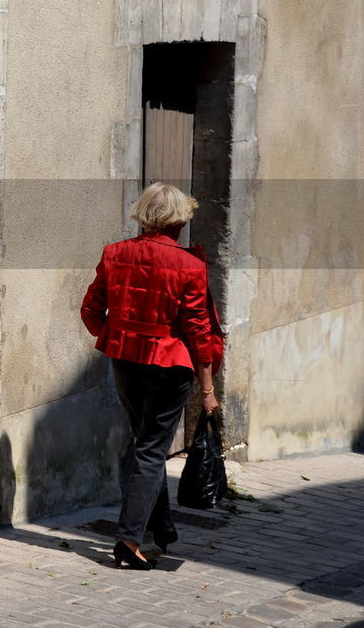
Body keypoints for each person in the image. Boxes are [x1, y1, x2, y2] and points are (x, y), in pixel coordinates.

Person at [80, 182, 224, 570]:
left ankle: (161, 528)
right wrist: (208, 389)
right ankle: (129, 539)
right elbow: (199, 331)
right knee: (150, 450)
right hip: (168, 363)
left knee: (145, 443)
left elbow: (91, 310)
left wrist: (115, 339)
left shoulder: (115, 253)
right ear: (178, 219)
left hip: (125, 360)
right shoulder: (189, 265)